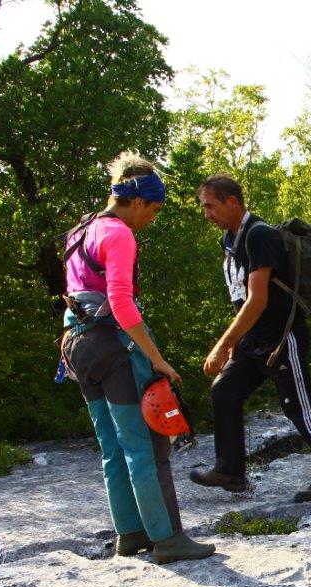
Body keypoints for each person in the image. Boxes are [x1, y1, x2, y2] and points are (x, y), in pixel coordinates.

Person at [59, 152, 216, 564]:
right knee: (146, 443)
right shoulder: (118, 234)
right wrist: (158, 360)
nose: (153, 219)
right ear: (139, 201)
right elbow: (122, 305)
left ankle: (130, 535)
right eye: (155, 210)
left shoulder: (81, 230)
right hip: (114, 347)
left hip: (77, 345)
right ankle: (168, 540)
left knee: (112, 446)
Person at [190, 175, 311, 501]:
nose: (207, 213)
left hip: (280, 337)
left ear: (232, 201)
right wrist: (234, 345)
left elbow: (257, 300)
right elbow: (239, 299)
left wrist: (221, 345)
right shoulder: (230, 241)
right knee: (225, 390)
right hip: (252, 340)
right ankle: (231, 471)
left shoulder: (259, 235)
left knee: (298, 407)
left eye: (210, 206)